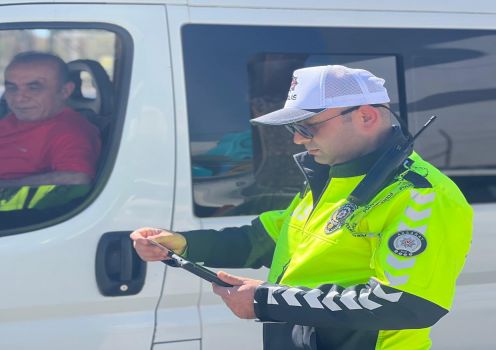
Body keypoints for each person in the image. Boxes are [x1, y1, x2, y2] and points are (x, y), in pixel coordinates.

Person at [130, 65, 472, 349]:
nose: (297, 138)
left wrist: (264, 300)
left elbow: (406, 304)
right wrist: (182, 243)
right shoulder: (333, 175)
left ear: (366, 116)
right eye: (294, 128)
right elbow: (268, 237)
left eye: (307, 126)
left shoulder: (421, 195)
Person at [0, 51, 101, 193]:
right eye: (12, 88)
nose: (19, 98)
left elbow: (76, 179)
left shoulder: (70, 132)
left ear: (65, 91)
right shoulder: (10, 121)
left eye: (34, 88)